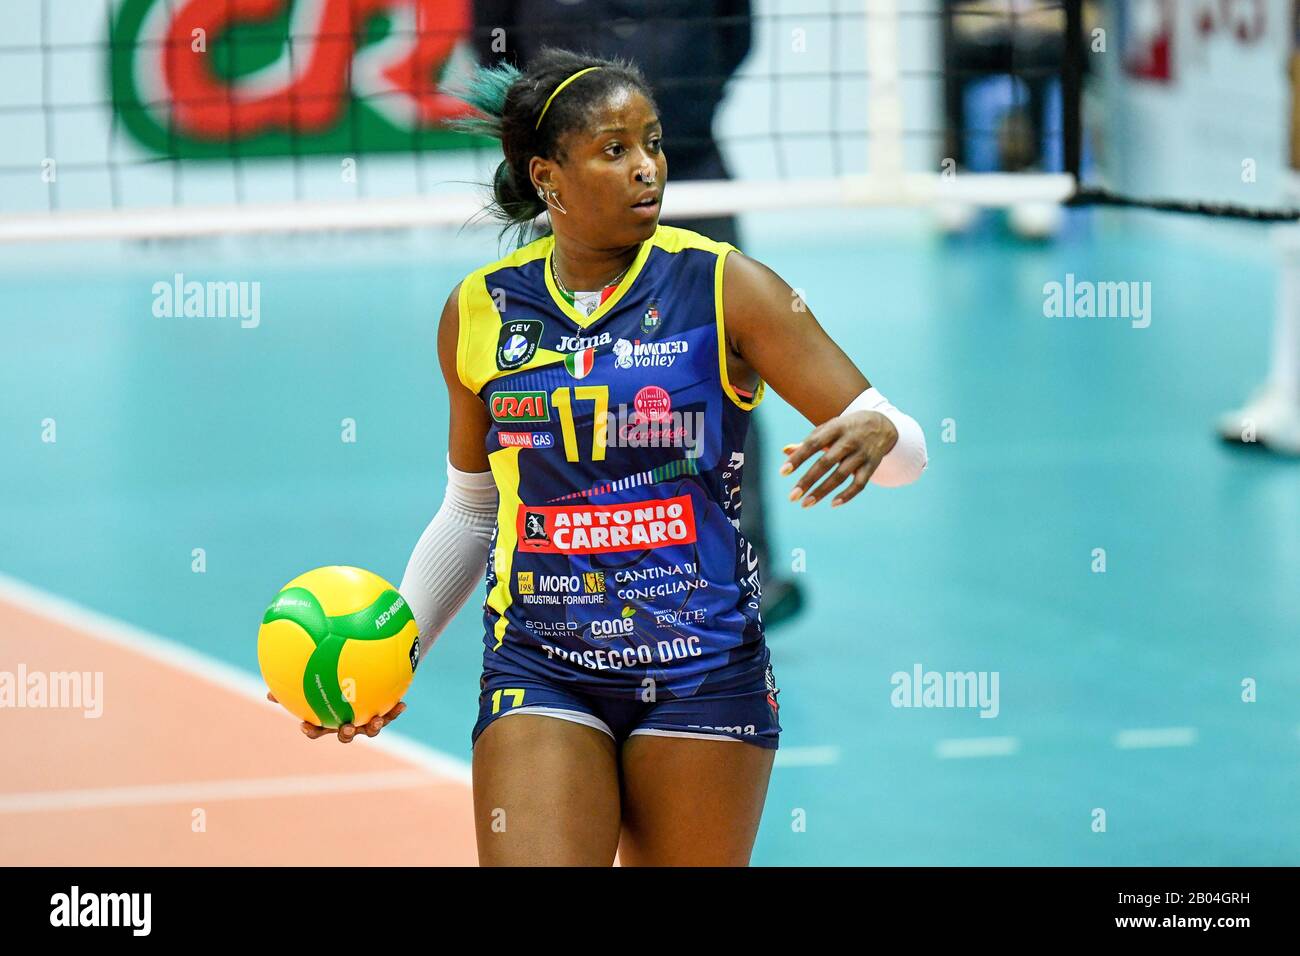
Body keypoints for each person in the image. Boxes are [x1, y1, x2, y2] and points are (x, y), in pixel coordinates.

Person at [291, 49, 927, 867]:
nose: (646, 169)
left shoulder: (727, 286)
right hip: (542, 663)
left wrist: (881, 434)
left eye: (653, 144)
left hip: (703, 666)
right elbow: (471, 510)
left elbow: (903, 449)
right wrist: (391, 652)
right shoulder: (481, 311)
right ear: (547, 175)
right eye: (615, 149)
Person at [465, 1, 807, 629]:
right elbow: (493, 40)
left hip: (694, 169)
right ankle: (577, 569)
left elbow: (735, 35)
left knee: (723, 368)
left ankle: (737, 565)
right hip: (579, 183)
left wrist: (671, 119)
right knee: (566, 377)